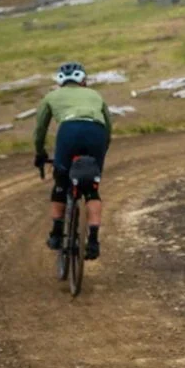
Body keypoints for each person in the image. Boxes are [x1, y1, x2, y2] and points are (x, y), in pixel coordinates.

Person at [34, 61, 112, 260]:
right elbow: (109, 125)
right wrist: (102, 149)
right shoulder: (95, 94)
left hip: (69, 131)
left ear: (60, 81)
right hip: (97, 133)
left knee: (61, 180)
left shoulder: (51, 96)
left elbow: (40, 130)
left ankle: (57, 233)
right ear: (83, 80)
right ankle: (93, 241)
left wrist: (39, 152)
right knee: (92, 189)